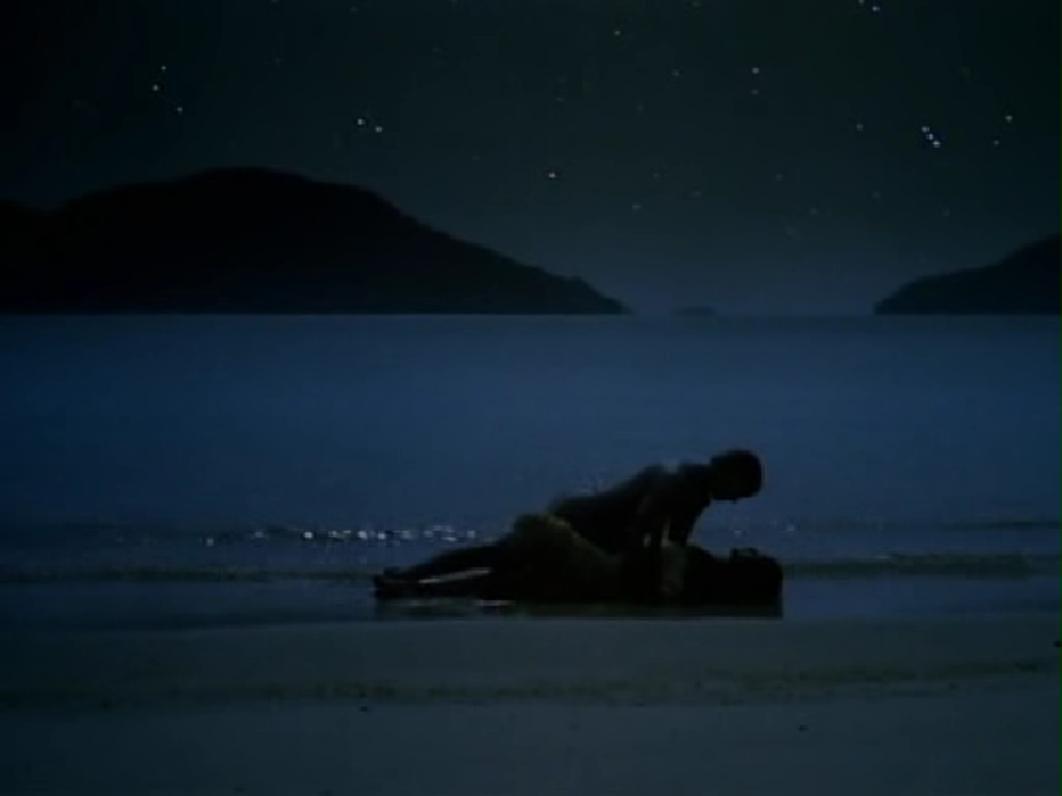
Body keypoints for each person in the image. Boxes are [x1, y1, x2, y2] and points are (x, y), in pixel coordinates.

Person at [374, 449, 765, 603]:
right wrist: (627, 579)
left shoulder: (692, 487)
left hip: (588, 528)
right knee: (502, 559)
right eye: (739, 492)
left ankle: (411, 584)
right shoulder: (680, 484)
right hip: (579, 525)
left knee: (506, 571)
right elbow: (642, 527)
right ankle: (409, 581)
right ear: (729, 473)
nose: (733, 501)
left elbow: (674, 544)